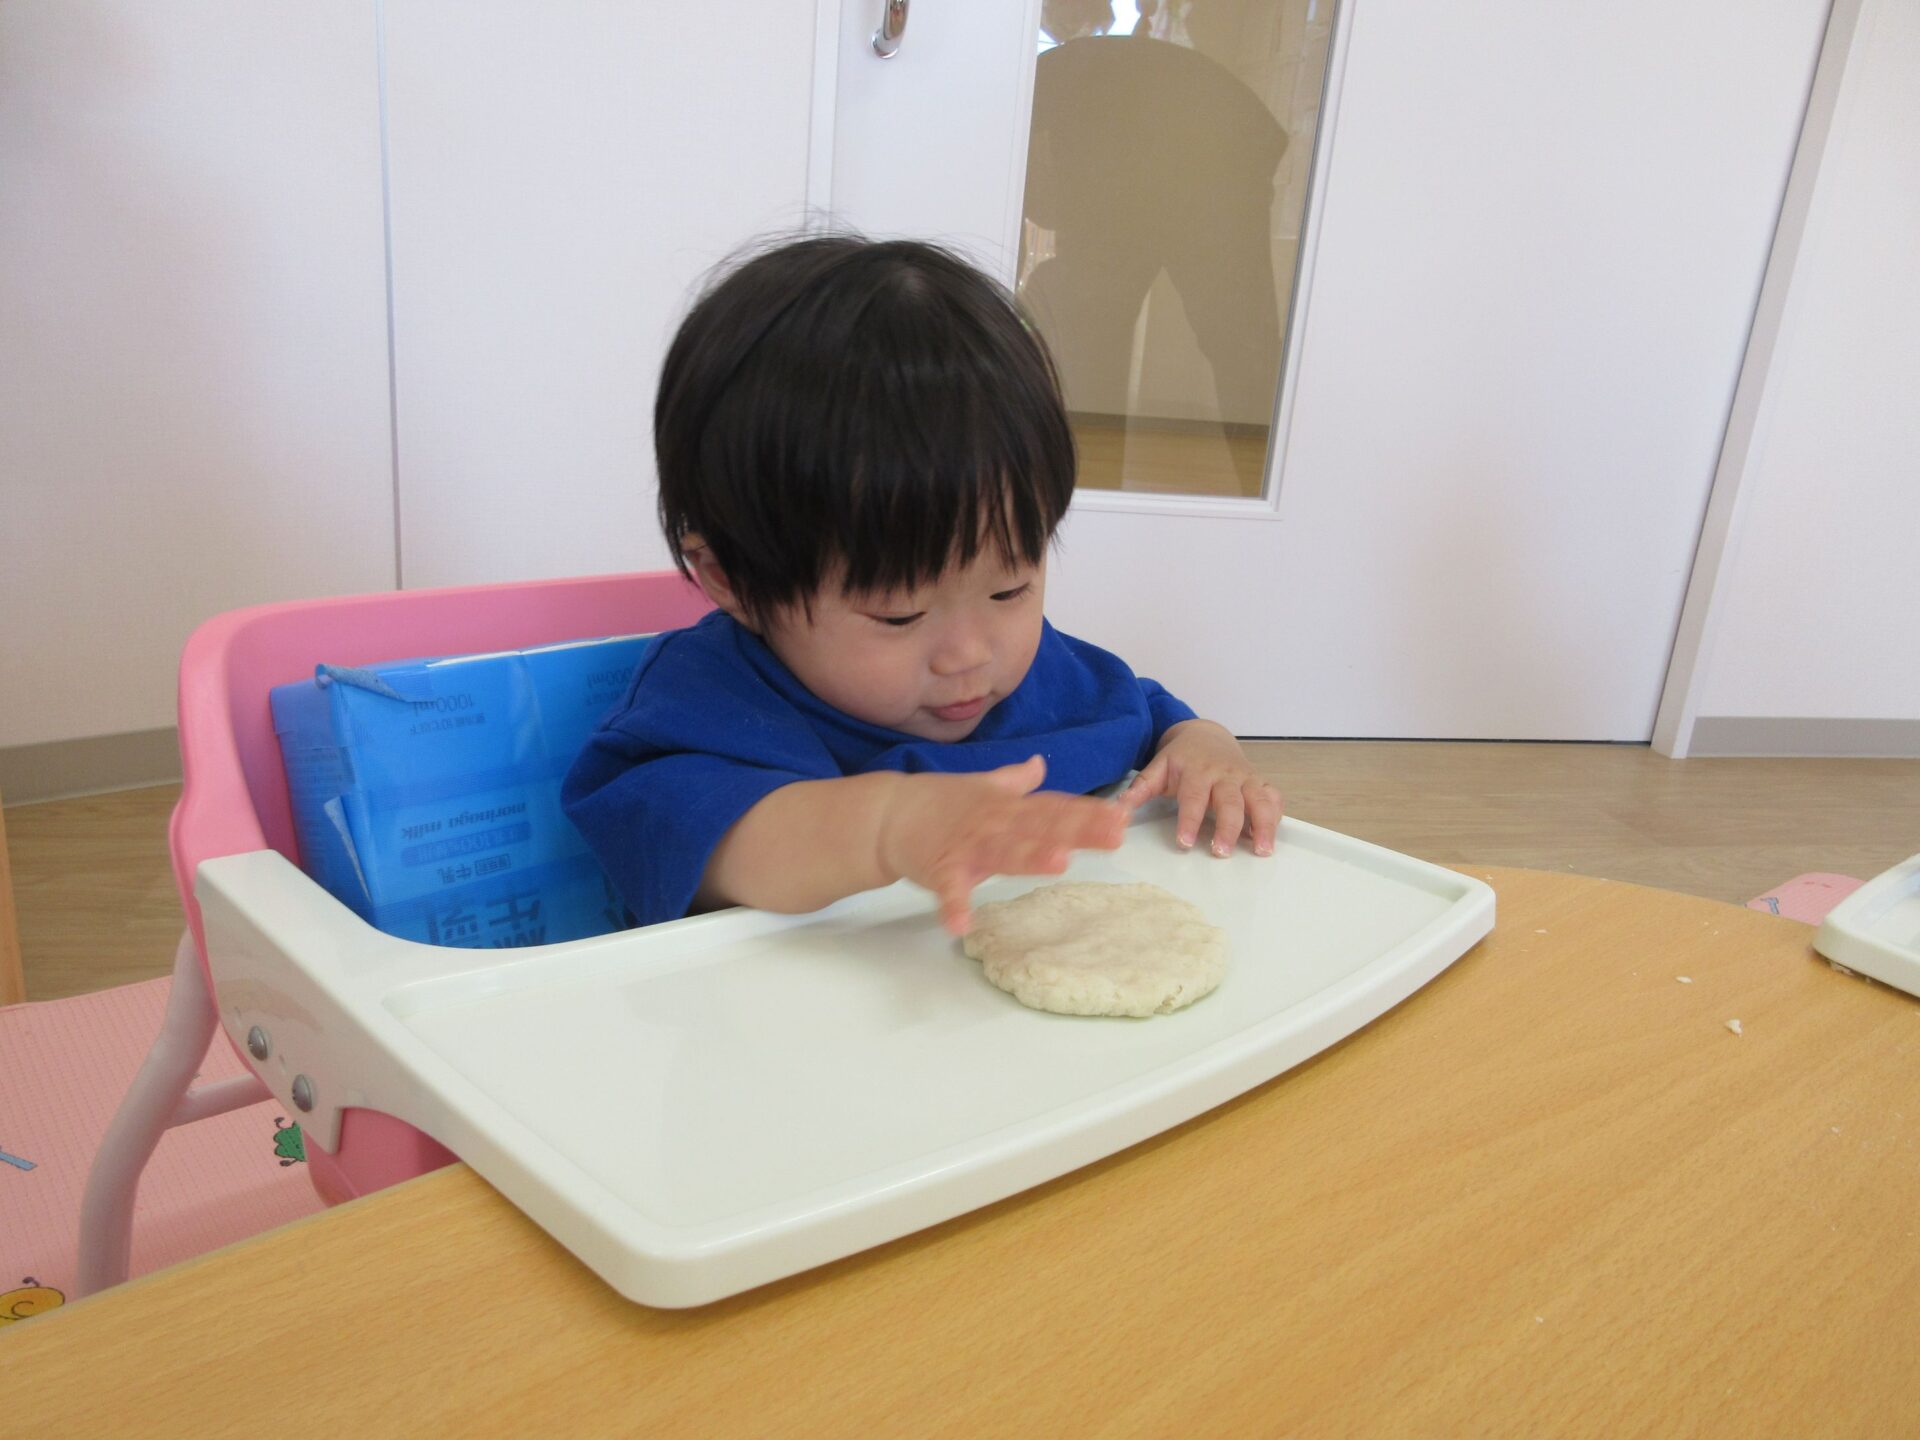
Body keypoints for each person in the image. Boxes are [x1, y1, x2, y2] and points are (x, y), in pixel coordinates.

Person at [562, 235, 1282, 935]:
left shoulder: (1050, 675)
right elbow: (722, 842)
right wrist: (887, 828)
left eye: (1010, 589)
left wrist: (1204, 745)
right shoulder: (705, 707)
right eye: (900, 615)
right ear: (735, 581)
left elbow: (1147, 714)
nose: (969, 653)